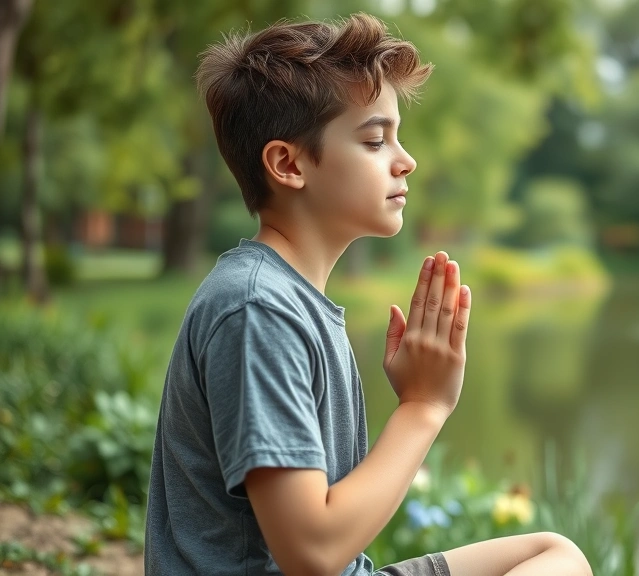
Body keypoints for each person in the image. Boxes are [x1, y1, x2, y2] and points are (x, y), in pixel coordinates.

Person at [143, 12, 592, 576]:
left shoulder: (290, 298)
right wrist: (423, 407)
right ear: (288, 163)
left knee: (553, 555)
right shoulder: (257, 309)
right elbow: (311, 552)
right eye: (375, 139)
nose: (405, 160)